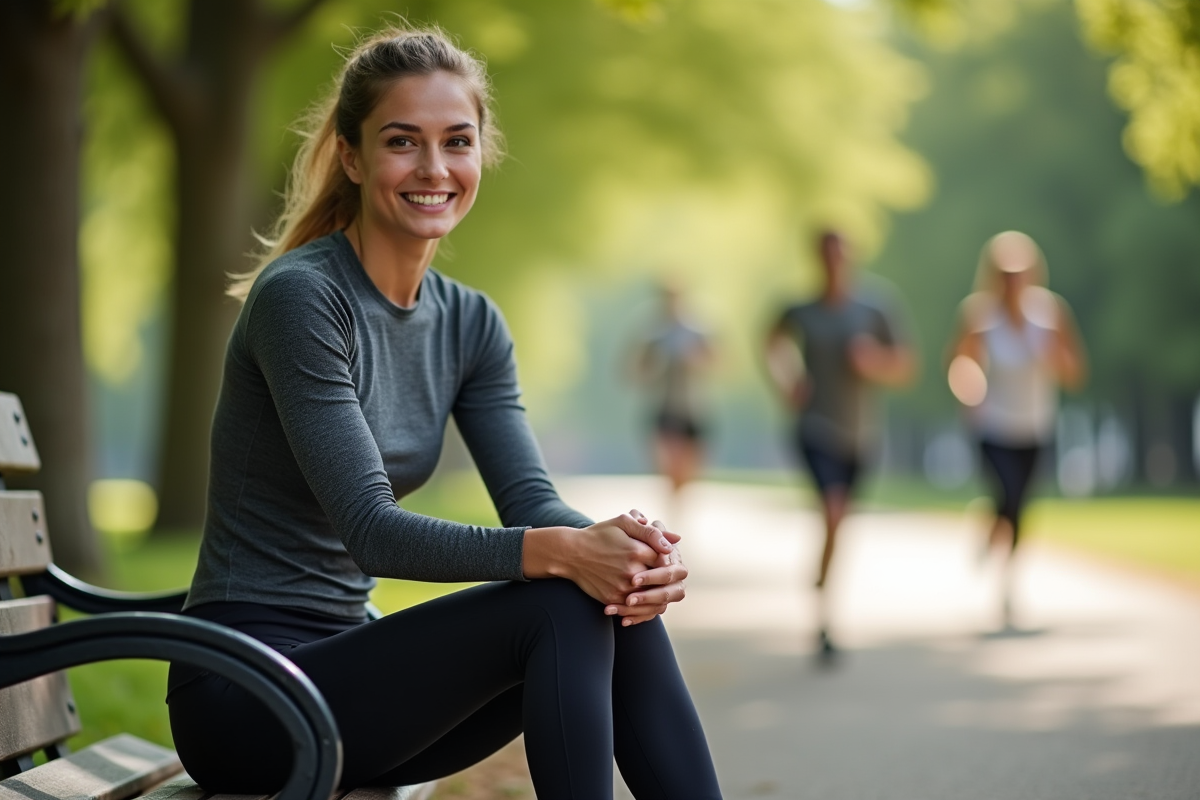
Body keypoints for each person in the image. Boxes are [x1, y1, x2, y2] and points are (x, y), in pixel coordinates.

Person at [165, 26, 722, 800]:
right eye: (403, 142)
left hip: (352, 683)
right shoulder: (304, 299)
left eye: (456, 141)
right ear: (353, 157)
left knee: (605, 597)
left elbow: (529, 502)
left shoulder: (470, 323)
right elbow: (371, 528)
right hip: (248, 692)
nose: (434, 168)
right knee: (563, 598)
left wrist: (622, 551)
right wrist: (564, 555)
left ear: (480, 154)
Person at [765, 230, 915, 659]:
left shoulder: (876, 307)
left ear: (851, 258)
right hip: (814, 426)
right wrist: (786, 379)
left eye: (840, 255)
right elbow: (771, 342)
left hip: (861, 434)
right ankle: (824, 619)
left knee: (839, 519)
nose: (834, 263)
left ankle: (822, 577)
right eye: (826, 256)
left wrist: (874, 362)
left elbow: (905, 365)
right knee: (832, 510)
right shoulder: (801, 310)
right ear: (816, 259)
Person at [947, 230, 1086, 629]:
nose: (1013, 281)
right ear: (993, 276)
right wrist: (970, 390)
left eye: (1020, 272)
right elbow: (960, 363)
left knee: (1019, 509)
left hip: (1035, 426)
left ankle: (1006, 579)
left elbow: (1074, 370)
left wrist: (1055, 357)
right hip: (993, 425)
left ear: (1032, 273)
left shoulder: (1051, 313)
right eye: (1005, 273)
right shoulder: (979, 316)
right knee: (1006, 496)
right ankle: (993, 536)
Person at [631, 282, 716, 521]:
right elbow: (635, 369)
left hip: (694, 408)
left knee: (688, 472)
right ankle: (673, 509)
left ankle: (679, 501)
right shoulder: (652, 334)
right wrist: (653, 366)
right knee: (670, 466)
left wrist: (696, 359)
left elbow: (720, 362)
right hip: (664, 407)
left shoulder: (698, 331)